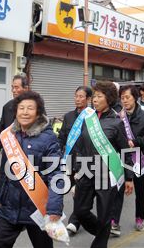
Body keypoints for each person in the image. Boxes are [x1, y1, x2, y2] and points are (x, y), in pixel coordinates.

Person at [0, 91, 63, 248]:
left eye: (30, 108)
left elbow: (56, 174)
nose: (25, 112)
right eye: (21, 108)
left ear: (38, 113)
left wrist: (55, 207)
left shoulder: (48, 138)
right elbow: (4, 173)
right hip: (10, 206)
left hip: (36, 207)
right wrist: (1, 197)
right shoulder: (9, 135)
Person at [72, 81, 132, 247]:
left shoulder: (116, 122)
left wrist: (129, 178)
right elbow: (80, 147)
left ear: (109, 98)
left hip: (106, 173)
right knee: (80, 210)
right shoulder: (87, 119)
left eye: (99, 96)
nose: (95, 100)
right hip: (86, 171)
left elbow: (125, 151)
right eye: (94, 96)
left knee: (105, 214)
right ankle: (102, 232)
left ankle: (100, 242)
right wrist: (76, 170)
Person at [111, 85, 144, 234]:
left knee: (140, 190)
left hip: (138, 159)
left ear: (135, 98)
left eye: (127, 97)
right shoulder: (118, 116)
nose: (124, 101)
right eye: (122, 98)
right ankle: (114, 221)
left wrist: (136, 141)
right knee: (118, 189)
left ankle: (139, 218)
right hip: (122, 158)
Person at [57, 86, 92, 236]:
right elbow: (62, 137)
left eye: (81, 96)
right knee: (68, 188)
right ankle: (73, 216)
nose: (77, 99)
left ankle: (74, 221)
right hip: (70, 159)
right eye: (76, 96)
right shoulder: (69, 116)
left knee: (80, 190)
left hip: (85, 160)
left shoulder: (92, 117)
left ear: (88, 99)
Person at [0, 75, 29, 153]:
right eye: (12, 87)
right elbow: (1, 129)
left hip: (28, 153)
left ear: (26, 89)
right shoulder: (7, 107)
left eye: (17, 87)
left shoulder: (35, 108)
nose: (13, 90)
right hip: (10, 153)